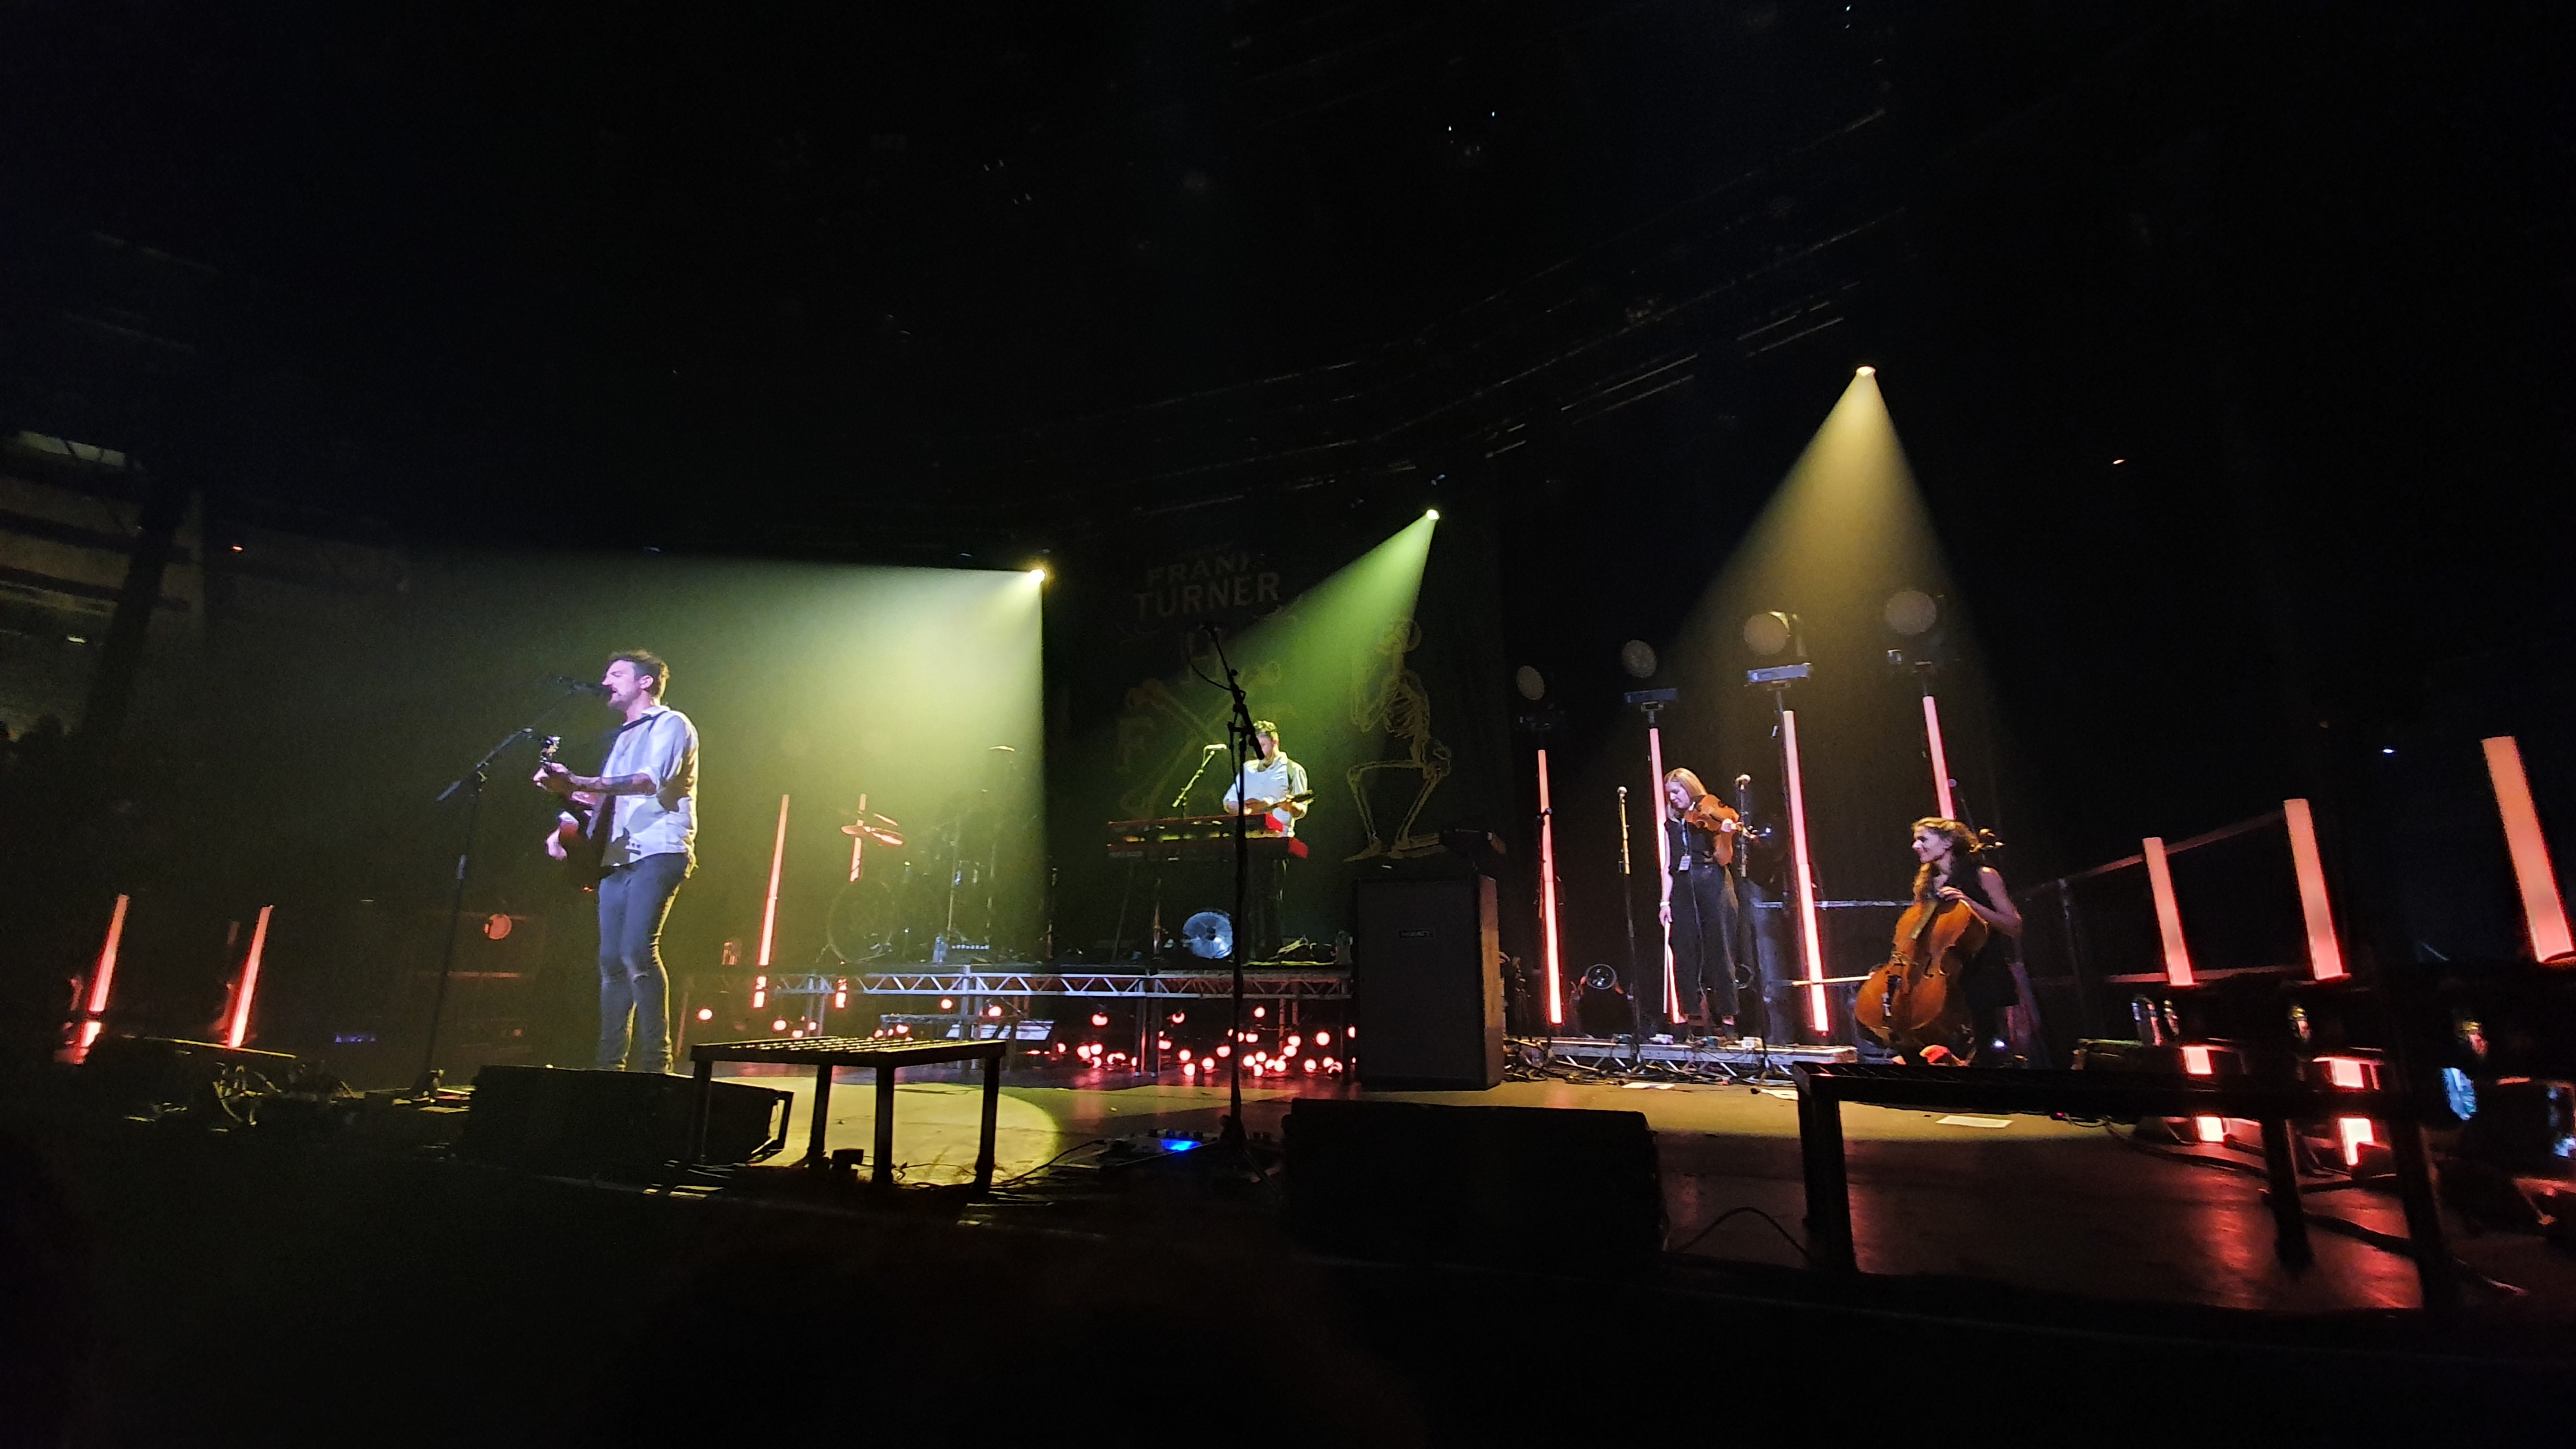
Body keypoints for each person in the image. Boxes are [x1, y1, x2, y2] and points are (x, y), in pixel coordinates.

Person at [536, 650, 699, 1073]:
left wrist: (579, 780)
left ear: (645, 682)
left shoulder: (671, 724)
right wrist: (564, 799)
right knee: (610, 960)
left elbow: (647, 782)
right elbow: (602, 798)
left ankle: (656, 1064)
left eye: (616, 674)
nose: (606, 681)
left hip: (659, 849)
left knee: (637, 951)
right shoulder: (623, 736)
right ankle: (608, 1066)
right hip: (618, 855)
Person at [1907, 817, 2023, 1064]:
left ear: (1948, 842)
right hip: (1943, 979)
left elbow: (2014, 926)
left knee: (1986, 1053)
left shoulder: (1984, 875)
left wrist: (1969, 903)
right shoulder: (1927, 884)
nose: (1916, 846)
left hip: (1981, 974)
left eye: (1923, 839)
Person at [1656, 768, 1741, 1037]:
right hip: (1682, 887)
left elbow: (1724, 859)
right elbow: (1668, 865)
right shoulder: (1672, 823)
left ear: (1690, 789)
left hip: (1713, 882)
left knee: (1720, 949)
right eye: (1669, 794)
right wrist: (1664, 902)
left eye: (1677, 792)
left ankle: (1727, 1020)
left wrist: (1726, 834)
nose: (1673, 798)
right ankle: (1693, 1017)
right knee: (1684, 951)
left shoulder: (1710, 815)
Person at [1221, 719, 1309, 958]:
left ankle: (1272, 949)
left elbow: (1302, 809)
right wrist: (1245, 807)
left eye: (1263, 744)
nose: (1259, 751)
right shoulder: (1248, 768)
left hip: (1276, 839)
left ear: (1275, 742)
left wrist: (1292, 808)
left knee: (1269, 896)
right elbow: (1228, 803)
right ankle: (1241, 951)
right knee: (1242, 896)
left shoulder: (1292, 769)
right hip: (1247, 838)